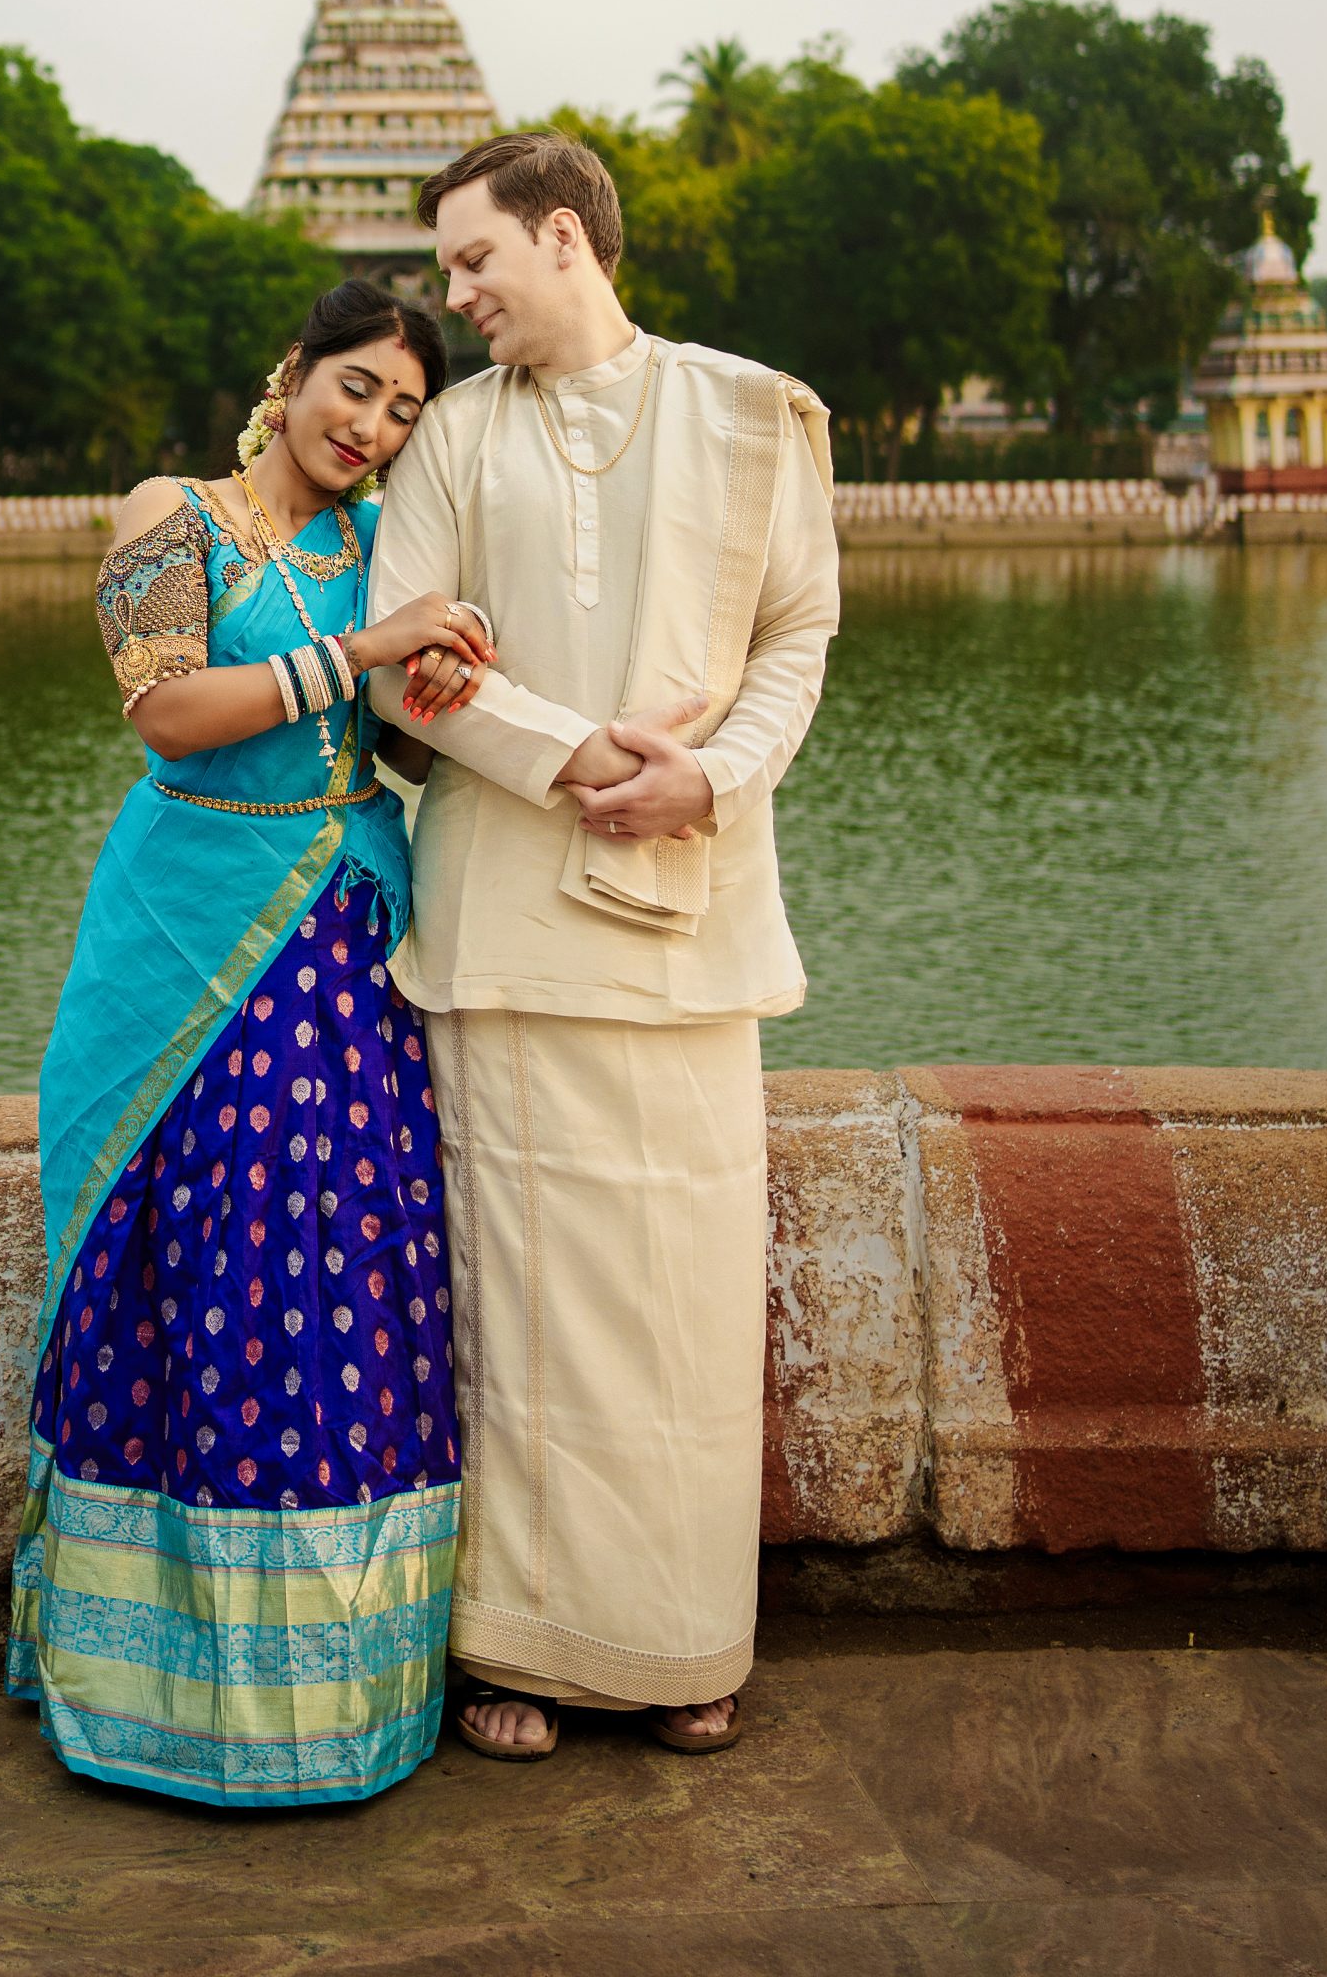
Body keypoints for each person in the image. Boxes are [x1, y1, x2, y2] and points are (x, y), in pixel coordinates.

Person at [363, 132, 840, 1762]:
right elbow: (398, 659)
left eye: (474, 261)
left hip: (692, 916)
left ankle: (683, 1647)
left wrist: (707, 771)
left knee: (685, 1298)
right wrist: (579, 758)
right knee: (523, 1301)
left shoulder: (751, 414)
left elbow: (797, 632)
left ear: (564, 239)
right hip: (501, 918)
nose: (456, 298)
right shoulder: (455, 440)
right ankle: (522, 1653)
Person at [7, 279, 498, 1807]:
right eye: (356, 389)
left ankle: (335, 1700)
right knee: (182, 1251)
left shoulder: (384, 549)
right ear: (292, 374)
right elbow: (162, 710)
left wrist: (437, 689)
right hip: (183, 934)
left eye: (406, 409)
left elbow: (390, 744)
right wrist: (367, 653)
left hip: (346, 938)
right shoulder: (179, 517)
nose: (374, 428)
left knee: (340, 1261)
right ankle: (151, 1685)